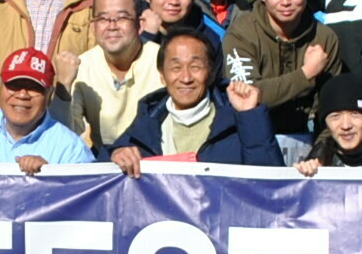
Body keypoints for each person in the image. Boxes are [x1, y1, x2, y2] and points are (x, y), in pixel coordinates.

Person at [220, 0, 343, 158]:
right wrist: (305, 75)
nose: (285, 2)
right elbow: (248, 96)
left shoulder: (325, 39)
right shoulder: (241, 33)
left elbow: (332, 109)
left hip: (307, 144)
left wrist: (320, 154)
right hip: (248, 141)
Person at [108, 30, 281, 170]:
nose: (186, 77)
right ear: (162, 75)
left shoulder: (237, 119)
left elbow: (270, 182)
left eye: (195, 67)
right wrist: (116, 155)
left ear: (211, 72)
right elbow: (100, 174)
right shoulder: (147, 121)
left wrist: (250, 115)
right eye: (176, 68)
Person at [67, 0, 164, 150]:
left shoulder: (163, 62)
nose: (112, 26)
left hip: (156, 158)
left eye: (122, 17)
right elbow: (67, 134)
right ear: (93, 27)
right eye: (103, 18)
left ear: (140, 25)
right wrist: (63, 88)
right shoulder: (82, 67)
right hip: (106, 163)